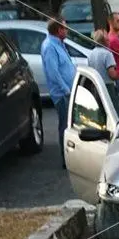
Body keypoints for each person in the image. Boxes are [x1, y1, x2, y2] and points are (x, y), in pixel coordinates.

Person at [41, 16, 76, 169]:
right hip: (62, 94)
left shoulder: (59, 44)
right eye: (65, 28)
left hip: (68, 91)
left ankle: (72, 155)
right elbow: (53, 72)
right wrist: (66, 89)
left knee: (70, 125)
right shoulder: (50, 46)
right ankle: (66, 159)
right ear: (58, 30)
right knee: (65, 126)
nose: (67, 31)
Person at [87, 29, 119, 114]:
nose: (109, 40)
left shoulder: (91, 54)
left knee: (101, 112)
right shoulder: (107, 54)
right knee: (114, 111)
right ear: (103, 41)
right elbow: (112, 74)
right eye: (107, 39)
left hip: (96, 86)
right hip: (108, 86)